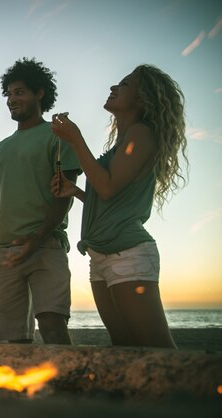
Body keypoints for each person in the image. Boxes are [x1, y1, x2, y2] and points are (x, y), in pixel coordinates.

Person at [51, 64, 188, 348]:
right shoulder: (124, 142)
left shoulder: (142, 133)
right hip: (100, 255)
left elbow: (107, 186)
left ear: (142, 98)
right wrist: (76, 191)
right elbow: (110, 200)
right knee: (125, 346)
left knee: (157, 349)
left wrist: (76, 140)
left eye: (124, 85)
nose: (114, 88)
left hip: (128, 254)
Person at [0, 58, 81, 344]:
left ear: (39, 93)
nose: (12, 100)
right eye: (9, 94)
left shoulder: (57, 136)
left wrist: (36, 238)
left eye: (19, 92)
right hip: (5, 252)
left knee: (54, 327)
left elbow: (64, 195)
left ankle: (65, 385)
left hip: (46, 245)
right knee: (11, 341)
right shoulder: (1, 148)